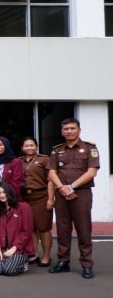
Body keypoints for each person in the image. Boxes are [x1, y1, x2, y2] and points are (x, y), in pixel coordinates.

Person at [47, 118, 100, 279]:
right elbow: (51, 172)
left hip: (81, 194)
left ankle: (87, 264)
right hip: (61, 194)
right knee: (62, 229)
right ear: (61, 132)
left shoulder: (89, 148)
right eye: (66, 129)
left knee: (83, 229)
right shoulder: (57, 150)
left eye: (72, 128)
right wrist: (63, 188)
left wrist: (71, 187)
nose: (69, 131)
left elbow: (92, 172)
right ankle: (63, 261)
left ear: (79, 130)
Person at [20, 137, 54, 267]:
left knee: (44, 228)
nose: (29, 148)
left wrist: (51, 199)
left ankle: (46, 256)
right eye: (26, 146)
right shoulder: (19, 161)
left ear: (36, 146)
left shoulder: (44, 159)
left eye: (31, 145)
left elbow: (50, 180)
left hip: (41, 196)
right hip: (25, 198)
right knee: (31, 228)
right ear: (22, 148)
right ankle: (33, 254)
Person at [0, 182, 35, 276]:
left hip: (19, 249)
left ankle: (22, 263)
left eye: (4, 192)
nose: (1, 195)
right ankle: (8, 262)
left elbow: (26, 231)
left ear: (9, 192)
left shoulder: (23, 207)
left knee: (8, 271)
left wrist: (14, 248)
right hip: (3, 248)